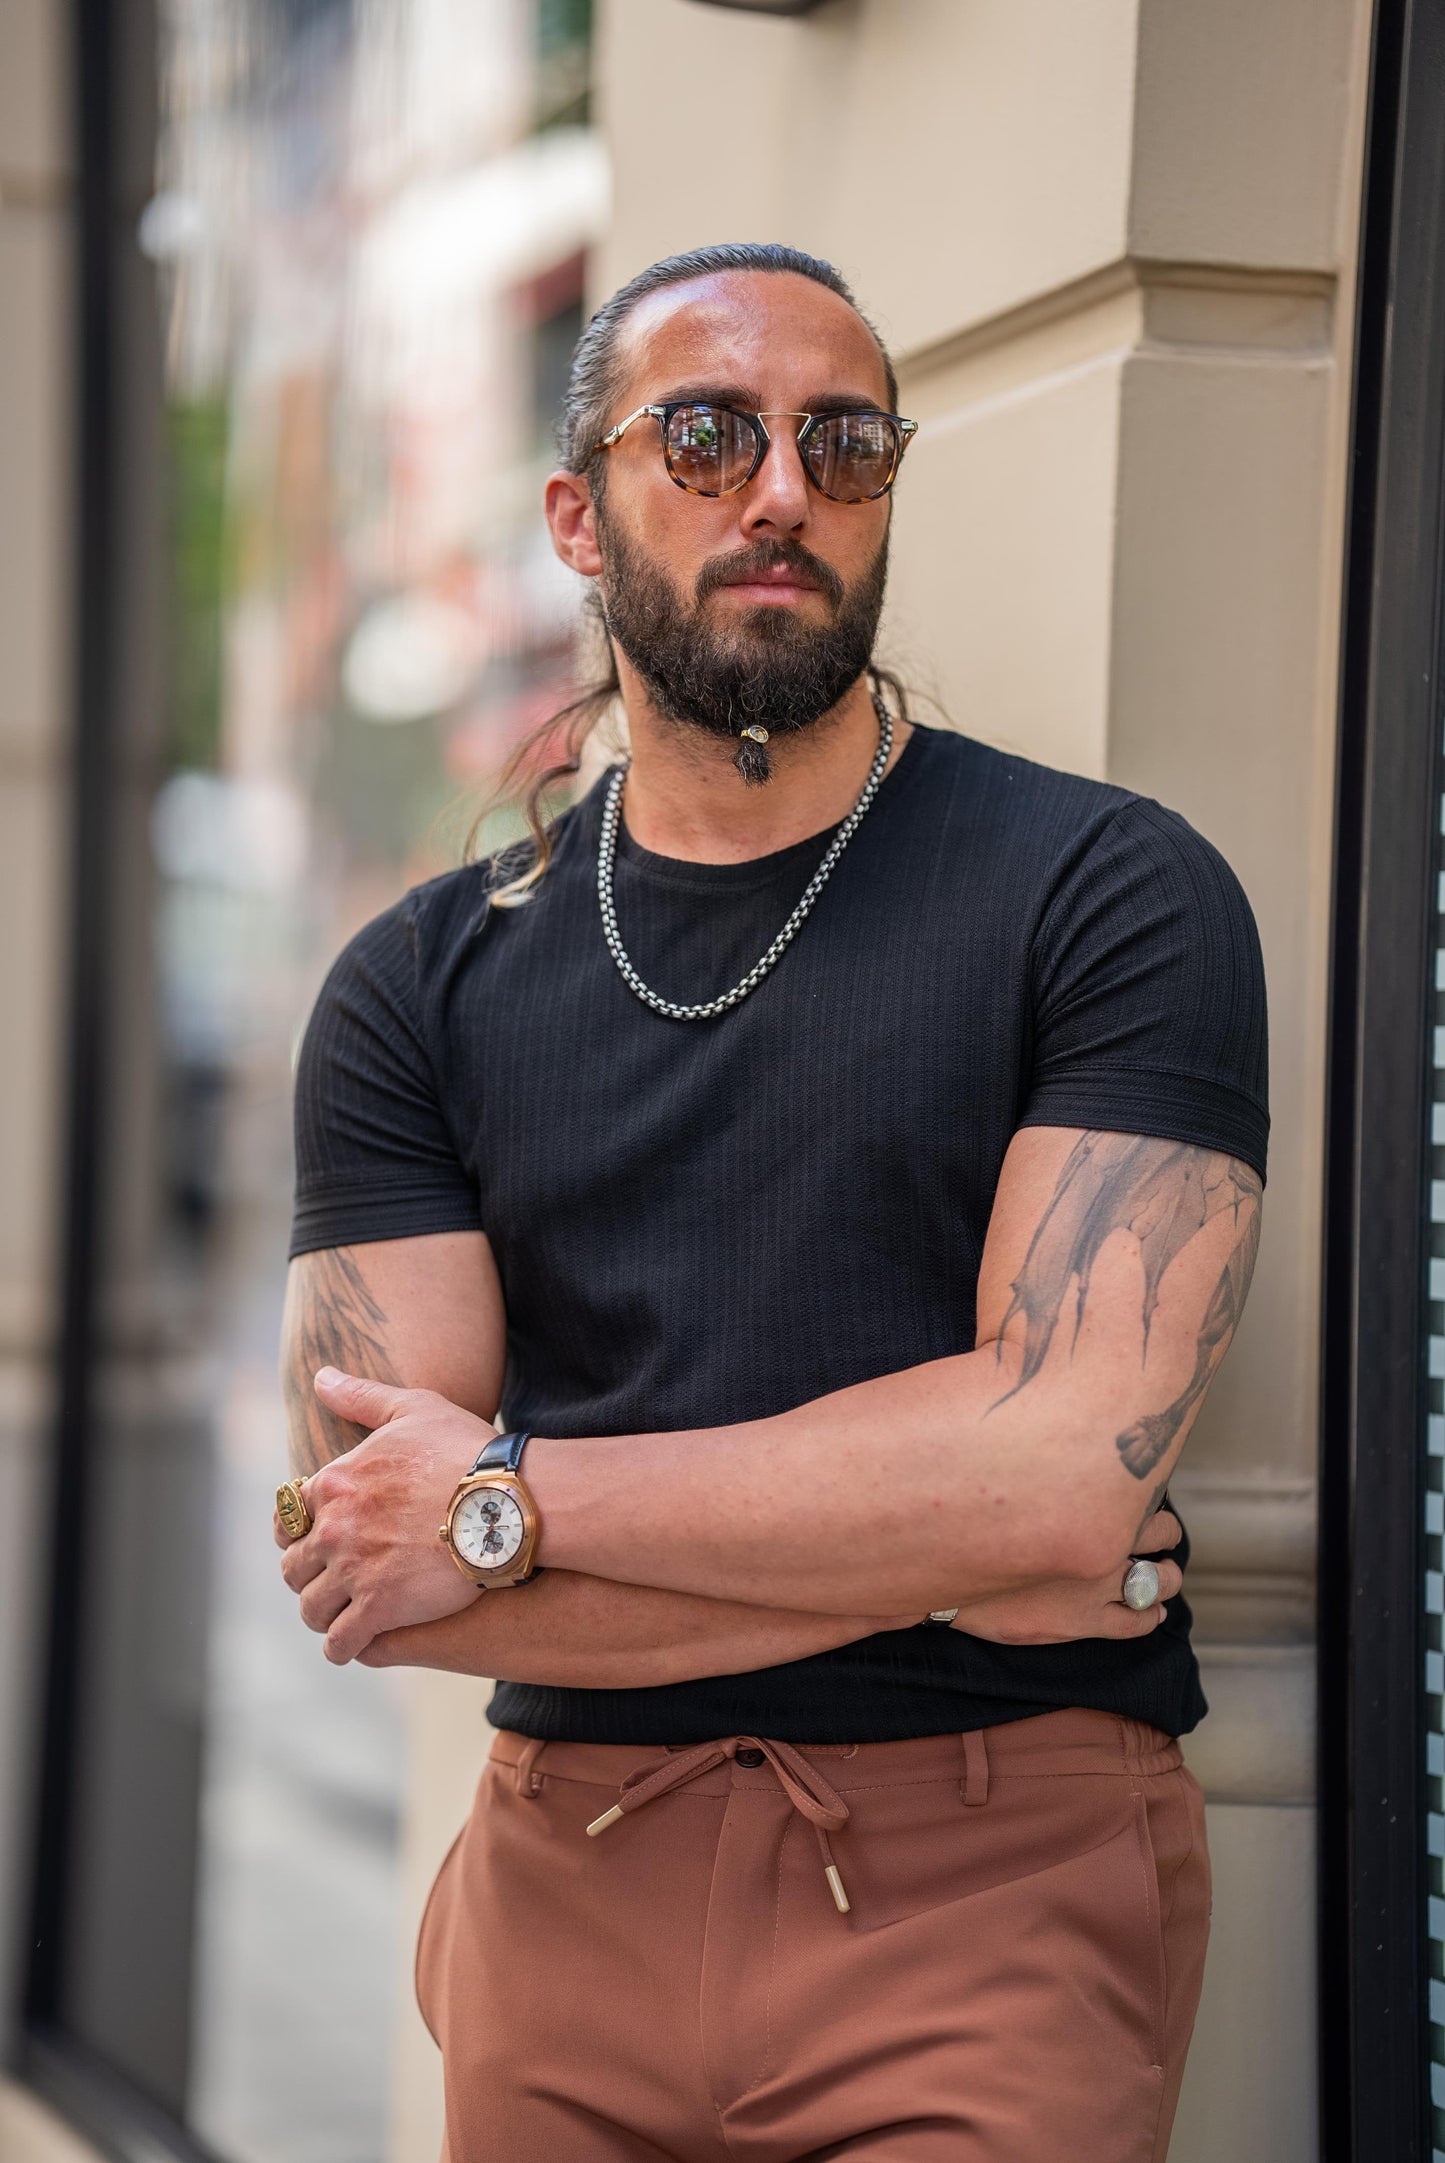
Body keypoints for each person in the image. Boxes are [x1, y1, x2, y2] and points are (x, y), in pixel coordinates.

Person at [273, 243, 1267, 2163]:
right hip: (565, 1895)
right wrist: (956, 1541)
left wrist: (514, 1500)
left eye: (844, 441)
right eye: (710, 436)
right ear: (578, 513)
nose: (783, 490)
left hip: (987, 1888)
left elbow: (1060, 1480)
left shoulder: (1108, 893)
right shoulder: (416, 989)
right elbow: (370, 1574)